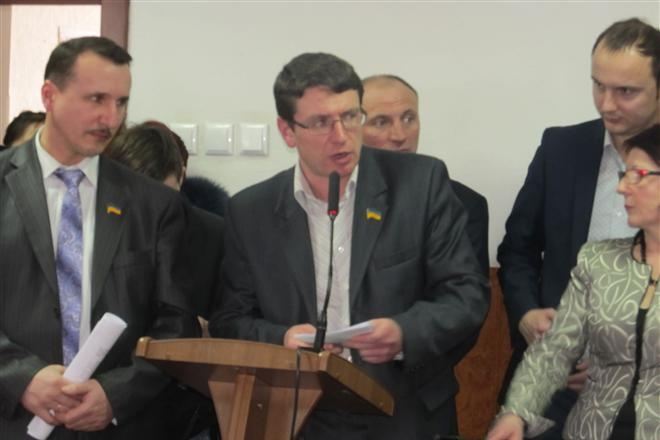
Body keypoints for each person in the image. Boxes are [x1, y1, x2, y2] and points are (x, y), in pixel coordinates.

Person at [209, 52, 488, 439]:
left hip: (404, 410)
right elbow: (229, 319)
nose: (341, 136)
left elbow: (466, 295)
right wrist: (282, 340)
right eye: (322, 122)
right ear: (287, 131)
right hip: (302, 414)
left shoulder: (421, 184)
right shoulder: (250, 211)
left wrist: (403, 332)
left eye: (351, 116)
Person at [0, 36, 199, 438]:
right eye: (96, 99)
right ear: (49, 95)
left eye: (121, 102)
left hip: (117, 426)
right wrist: (21, 378)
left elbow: (176, 327)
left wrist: (115, 396)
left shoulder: (154, 205)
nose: (111, 118)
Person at [496, 18, 660, 438]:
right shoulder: (561, 149)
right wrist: (527, 314)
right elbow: (518, 250)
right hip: (556, 388)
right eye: (598, 85)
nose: (606, 104)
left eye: (626, 91)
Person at [104, 121, 223, 439]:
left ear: (182, 177)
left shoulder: (216, 234)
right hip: (106, 402)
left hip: (187, 409)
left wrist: (207, 331)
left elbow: (235, 321)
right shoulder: (95, 228)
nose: (152, 211)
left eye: (162, 197)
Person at [362, 74, 489, 275]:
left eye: (408, 119)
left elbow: (465, 290)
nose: (400, 135)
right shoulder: (329, 199)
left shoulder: (461, 204)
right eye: (381, 122)